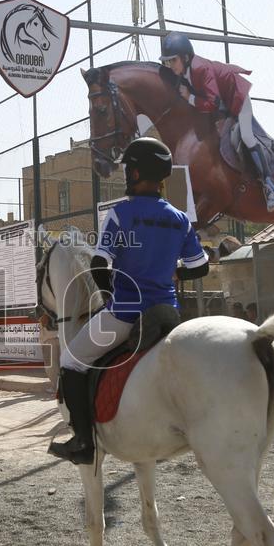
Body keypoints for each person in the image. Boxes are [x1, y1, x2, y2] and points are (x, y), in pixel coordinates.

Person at [49, 138, 210, 465]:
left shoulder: (121, 213)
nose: (126, 174)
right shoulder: (179, 219)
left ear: (136, 172)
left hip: (125, 315)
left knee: (70, 362)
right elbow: (201, 266)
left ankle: (83, 441)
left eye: (128, 169)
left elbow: (99, 264)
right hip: (168, 315)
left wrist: (110, 295)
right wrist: (174, 274)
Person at [159, 31, 274, 212]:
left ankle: (271, 186)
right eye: (168, 61)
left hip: (238, 98)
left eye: (173, 60)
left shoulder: (200, 68)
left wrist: (190, 97)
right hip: (222, 104)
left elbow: (212, 102)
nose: (170, 65)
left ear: (185, 57)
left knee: (247, 136)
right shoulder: (183, 72)